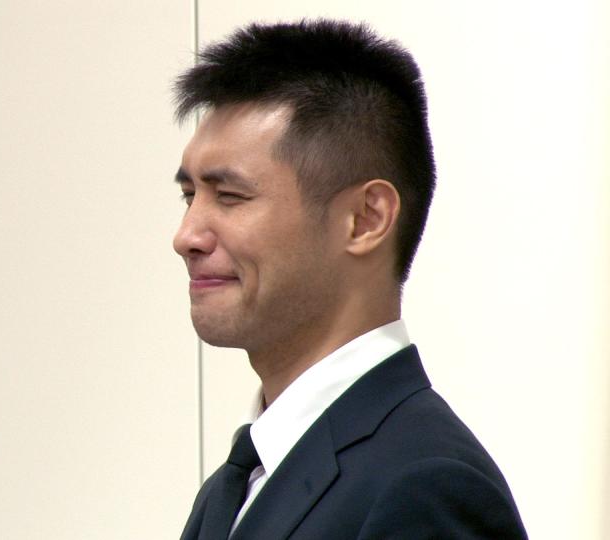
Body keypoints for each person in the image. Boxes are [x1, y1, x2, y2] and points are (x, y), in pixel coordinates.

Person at [173, 20, 527, 539]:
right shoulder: (238, 485)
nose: (187, 236)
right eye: (189, 196)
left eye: (229, 196)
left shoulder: (425, 487)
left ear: (366, 219)